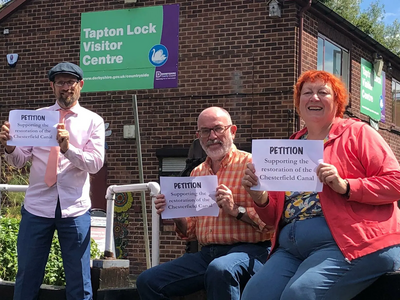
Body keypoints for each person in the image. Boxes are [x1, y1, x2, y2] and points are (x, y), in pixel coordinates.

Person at [241, 70, 400, 300]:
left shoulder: (358, 132)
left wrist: (346, 186)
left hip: (351, 242)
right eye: (307, 93)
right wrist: (260, 197)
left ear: (337, 101)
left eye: (323, 92)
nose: (314, 98)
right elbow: (271, 217)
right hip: (290, 248)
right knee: (254, 295)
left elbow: (395, 182)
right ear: (299, 103)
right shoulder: (291, 145)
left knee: (299, 295)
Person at [136, 106, 273, 300]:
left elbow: (271, 224)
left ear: (232, 131)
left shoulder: (253, 165)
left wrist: (235, 210)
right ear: (198, 135)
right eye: (205, 131)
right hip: (207, 254)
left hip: (251, 251)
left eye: (218, 129)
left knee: (221, 269)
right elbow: (191, 231)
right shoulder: (197, 172)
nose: (212, 136)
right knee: (148, 281)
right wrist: (175, 214)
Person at [0, 62, 105, 300]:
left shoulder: (93, 121)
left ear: (80, 85)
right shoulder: (35, 118)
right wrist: (8, 146)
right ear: (52, 86)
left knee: (79, 280)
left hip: (75, 210)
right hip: (37, 207)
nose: (65, 87)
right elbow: (18, 161)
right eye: (60, 82)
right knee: (27, 276)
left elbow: (95, 163)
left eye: (70, 82)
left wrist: (68, 149)